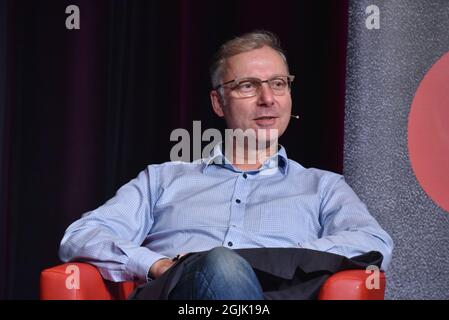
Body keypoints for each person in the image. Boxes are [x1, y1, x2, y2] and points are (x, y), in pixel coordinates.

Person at [59, 30, 393, 300]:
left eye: (278, 83)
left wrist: (281, 259)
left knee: (229, 268)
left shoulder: (323, 187)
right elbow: (81, 235)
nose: (268, 98)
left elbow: (373, 241)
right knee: (220, 264)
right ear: (218, 103)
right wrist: (158, 264)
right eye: (248, 86)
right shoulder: (163, 179)